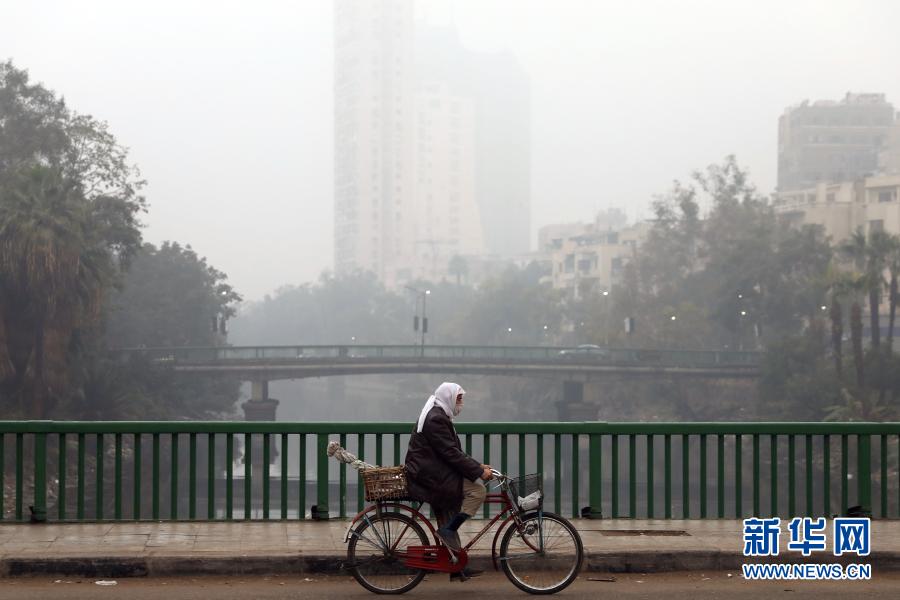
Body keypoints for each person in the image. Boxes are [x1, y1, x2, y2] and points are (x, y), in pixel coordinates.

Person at [404, 382, 492, 578]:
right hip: (430, 475)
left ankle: (456, 564)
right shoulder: (436, 419)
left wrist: (478, 466)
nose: (461, 403)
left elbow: (453, 451)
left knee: (451, 509)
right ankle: (449, 530)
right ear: (448, 397)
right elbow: (451, 452)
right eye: (458, 399)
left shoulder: (439, 414)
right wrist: (478, 472)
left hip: (434, 470)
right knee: (477, 491)